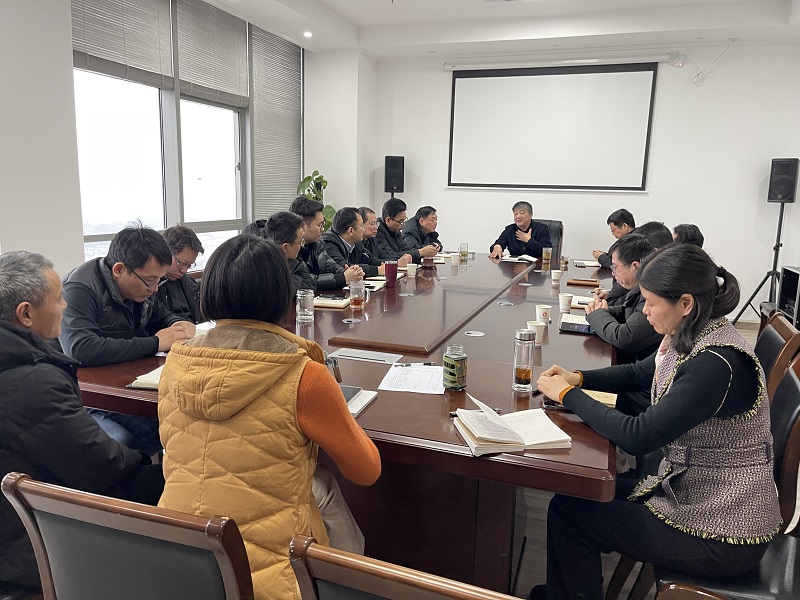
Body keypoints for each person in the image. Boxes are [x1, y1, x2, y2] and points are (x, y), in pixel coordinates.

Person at [533, 244, 779, 600]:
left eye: (650, 303)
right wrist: (580, 379)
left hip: (723, 530)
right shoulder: (695, 334)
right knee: (572, 500)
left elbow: (639, 436)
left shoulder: (716, 364)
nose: (644, 311)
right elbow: (638, 373)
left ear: (685, 303)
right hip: (693, 494)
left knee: (572, 516)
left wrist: (568, 395)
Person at [158, 235, 381, 600]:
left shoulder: (175, 363)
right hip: (270, 576)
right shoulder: (304, 374)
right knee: (322, 485)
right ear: (283, 295)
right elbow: (366, 471)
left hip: (176, 550)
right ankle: (351, 586)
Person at [0, 251, 163, 591]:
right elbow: (99, 463)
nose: (65, 305)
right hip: (33, 540)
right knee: (167, 481)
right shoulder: (32, 382)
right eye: (58, 298)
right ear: (26, 313)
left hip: (21, 510)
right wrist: (147, 461)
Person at [59, 225, 195, 455]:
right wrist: (155, 343)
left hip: (119, 383)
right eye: (150, 281)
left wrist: (179, 325)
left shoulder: (140, 289)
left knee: (173, 423)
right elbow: (80, 348)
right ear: (119, 269)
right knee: (127, 439)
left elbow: (162, 316)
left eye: (159, 281)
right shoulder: (80, 288)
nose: (155, 289)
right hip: (82, 394)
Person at [290, 197, 363, 290]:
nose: (323, 229)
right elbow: (306, 281)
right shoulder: (290, 248)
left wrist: (352, 272)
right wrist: (343, 278)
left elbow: (331, 266)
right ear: (302, 226)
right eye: (319, 225)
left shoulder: (317, 244)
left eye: (323, 225)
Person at [243, 213, 315, 293]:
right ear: (285, 247)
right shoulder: (259, 262)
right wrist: (295, 280)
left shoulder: (292, 258)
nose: (302, 245)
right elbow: (274, 292)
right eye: (300, 241)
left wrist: (287, 283)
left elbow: (310, 284)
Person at [155, 224, 204, 323]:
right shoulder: (149, 286)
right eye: (181, 263)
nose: (184, 270)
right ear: (165, 252)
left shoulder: (189, 283)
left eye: (189, 265)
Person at [322, 207, 386, 277]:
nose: (363, 229)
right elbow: (345, 268)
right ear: (351, 231)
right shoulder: (328, 244)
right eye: (362, 225)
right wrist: (377, 270)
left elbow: (370, 259)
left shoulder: (356, 242)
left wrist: (385, 265)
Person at [592, 209, 636, 305]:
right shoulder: (629, 239)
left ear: (624, 226)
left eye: (613, 230)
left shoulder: (632, 243)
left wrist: (601, 257)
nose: (613, 234)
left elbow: (614, 263)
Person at [375, 198, 437, 263]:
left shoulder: (395, 229)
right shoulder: (377, 231)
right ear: (388, 220)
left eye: (404, 220)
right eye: (401, 222)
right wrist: (419, 252)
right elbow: (389, 255)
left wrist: (423, 252)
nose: (403, 225)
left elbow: (405, 248)